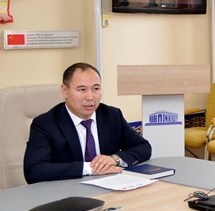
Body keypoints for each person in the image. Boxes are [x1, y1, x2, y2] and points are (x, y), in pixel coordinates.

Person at [24, 62, 152, 184]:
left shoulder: (112, 115)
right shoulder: (45, 124)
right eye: (82, 90)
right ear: (65, 91)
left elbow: (143, 148)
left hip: (110, 187)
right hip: (67, 192)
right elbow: (34, 170)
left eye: (96, 88)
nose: (90, 97)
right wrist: (90, 168)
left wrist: (114, 159)